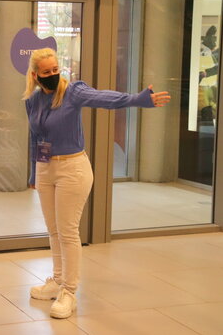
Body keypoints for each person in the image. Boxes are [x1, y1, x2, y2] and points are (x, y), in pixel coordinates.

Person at [25, 48, 170, 319]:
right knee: (53, 230)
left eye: (56, 69)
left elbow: (105, 98)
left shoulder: (72, 92)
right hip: (45, 169)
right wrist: (34, 174)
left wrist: (138, 100)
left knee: (67, 232)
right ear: (35, 75)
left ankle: (69, 291)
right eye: (47, 72)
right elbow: (35, 138)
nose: (53, 75)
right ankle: (56, 280)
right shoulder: (32, 101)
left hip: (72, 168)